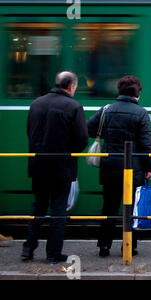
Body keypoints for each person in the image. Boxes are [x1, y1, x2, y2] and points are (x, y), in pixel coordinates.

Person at [23, 71, 89, 263]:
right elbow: (81, 140)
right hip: (61, 166)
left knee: (38, 206)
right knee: (58, 209)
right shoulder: (74, 106)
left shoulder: (37, 103)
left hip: (38, 164)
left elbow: (30, 131)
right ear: (71, 86)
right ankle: (53, 253)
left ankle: (28, 248)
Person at [87, 75, 151, 257]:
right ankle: (129, 247)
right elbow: (147, 144)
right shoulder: (141, 113)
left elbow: (88, 129)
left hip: (109, 166)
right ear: (137, 93)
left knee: (109, 206)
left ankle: (104, 246)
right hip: (133, 169)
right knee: (131, 208)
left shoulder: (106, 110)